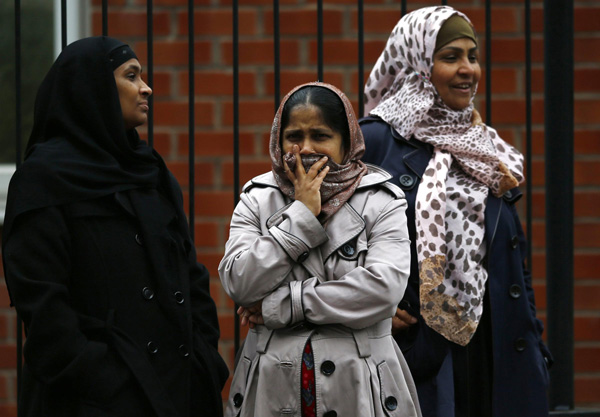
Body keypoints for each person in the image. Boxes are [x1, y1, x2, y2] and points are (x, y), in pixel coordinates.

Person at [2, 36, 228, 417]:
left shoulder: (150, 172)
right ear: (93, 88)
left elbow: (189, 277)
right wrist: (106, 382)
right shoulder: (43, 181)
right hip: (93, 401)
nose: (147, 87)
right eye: (131, 75)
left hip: (178, 391)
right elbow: (44, 308)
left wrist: (204, 360)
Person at [360, 6, 551, 417]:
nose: (468, 69)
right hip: (419, 355)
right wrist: (367, 307)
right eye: (450, 57)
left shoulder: (483, 148)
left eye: (473, 55)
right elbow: (328, 238)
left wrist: (534, 342)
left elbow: (508, 255)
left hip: (496, 353)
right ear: (416, 63)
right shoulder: (374, 142)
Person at [219, 82, 422, 417]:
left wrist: (282, 306)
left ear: (347, 142)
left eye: (321, 136)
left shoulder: (381, 201)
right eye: (294, 136)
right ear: (278, 140)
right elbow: (240, 282)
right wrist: (300, 216)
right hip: (272, 385)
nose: (306, 148)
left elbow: (383, 289)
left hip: (362, 387)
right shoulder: (257, 199)